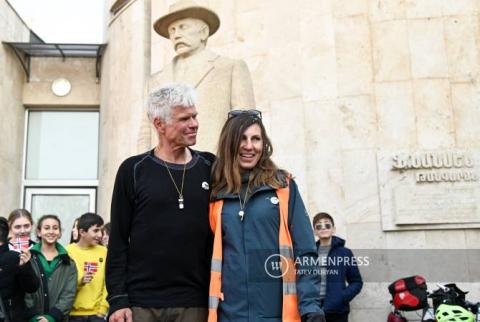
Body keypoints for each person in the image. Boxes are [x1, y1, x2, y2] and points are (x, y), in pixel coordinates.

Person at [107, 83, 215, 322]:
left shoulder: (211, 166)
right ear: (159, 124)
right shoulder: (133, 170)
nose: (194, 123)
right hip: (141, 304)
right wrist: (118, 300)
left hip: (197, 302)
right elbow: (118, 240)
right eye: (185, 118)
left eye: (195, 116)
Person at [208, 110, 325, 322]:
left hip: (277, 315)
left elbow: (306, 252)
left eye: (256, 139)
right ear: (229, 144)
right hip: (229, 315)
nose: (249, 146)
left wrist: (310, 305)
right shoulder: (216, 193)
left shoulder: (283, 186)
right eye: (242, 139)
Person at [138, 0, 255, 152]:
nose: (176, 34)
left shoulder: (230, 68)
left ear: (203, 32)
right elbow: (146, 131)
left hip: (214, 169)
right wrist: (140, 170)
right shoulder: (155, 81)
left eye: (183, 27)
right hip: (163, 171)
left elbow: (246, 126)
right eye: (172, 30)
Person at [25, 215, 77, 322]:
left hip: (57, 319)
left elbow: (69, 294)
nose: (51, 231)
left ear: (60, 233)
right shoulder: (28, 258)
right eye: (47, 228)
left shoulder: (69, 263)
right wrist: (33, 316)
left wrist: (52, 317)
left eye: (55, 228)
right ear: (39, 232)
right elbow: (24, 291)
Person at [313, 212, 363, 322]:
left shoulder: (345, 253)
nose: (323, 228)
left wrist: (342, 297)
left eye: (327, 225)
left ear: (333, 229)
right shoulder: (310, 253)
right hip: (313, 310)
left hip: (337, 311)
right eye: (318, 226)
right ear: (315, 231)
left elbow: (356, 282)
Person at [66, 213, 108, 320]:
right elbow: (63, 284)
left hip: (96, 315)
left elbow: (108, 283)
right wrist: (80, 282)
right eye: (95, 230)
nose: (100, 235)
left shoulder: (104, 252)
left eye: (101, 230)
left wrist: (102, 310)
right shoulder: (67, 251)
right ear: (82, 232)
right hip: (72, 315)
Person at [0, 216, 39, 322]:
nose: (22, 231)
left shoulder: (14, 257)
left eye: (26, 226)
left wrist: (24, 266)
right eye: (17, 227)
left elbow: (32, 287)